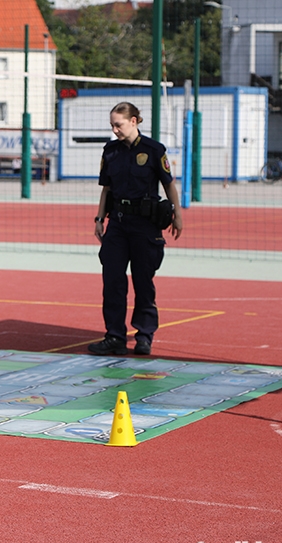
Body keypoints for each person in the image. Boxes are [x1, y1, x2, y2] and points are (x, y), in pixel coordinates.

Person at [88, 102, 183, 357]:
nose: (114, 130)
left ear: (134, 121)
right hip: (118, 223)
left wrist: (177, 215)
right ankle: (115, 336)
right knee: (113, 281)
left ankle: (144, 335)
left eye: (118, 124)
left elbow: (169, 185)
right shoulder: (111, 151)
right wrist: (99, 219)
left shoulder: (154, 150)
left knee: (143, 282)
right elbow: (106, 189)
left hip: (145, 225)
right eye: (112, 125)